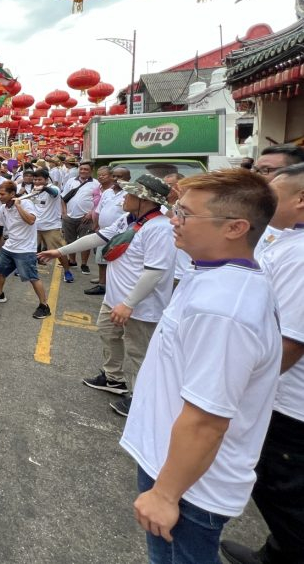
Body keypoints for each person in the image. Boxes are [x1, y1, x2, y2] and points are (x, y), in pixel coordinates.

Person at [120, 169, 280, 564]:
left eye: (186, 214)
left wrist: (165, 493)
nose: (174, 219)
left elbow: (208, 419)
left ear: (235, 228)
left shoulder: (225, 310)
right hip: (174, 467)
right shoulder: (210, 273)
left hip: (190, 486)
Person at [221, 163, 304, 564]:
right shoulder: (287, 241)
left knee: (283, 492)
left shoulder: (302, 255)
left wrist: (242, 390)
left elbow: (289, 341)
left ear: (300, 201)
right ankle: (276, 551)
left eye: (274, 193)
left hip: (288, 402)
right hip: (276, 395)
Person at [41, 174, 176, 417]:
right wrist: (60, 251)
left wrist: (128, 304)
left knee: (138, 352)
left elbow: (155, 273)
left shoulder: (160, 229)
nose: (124, 197)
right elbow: (98, 237)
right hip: (116, 300)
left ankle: (140, 397)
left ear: (143, 199)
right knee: (108, 334)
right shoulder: (129, 219)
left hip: (139, 306)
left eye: (130, 194)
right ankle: (114, 378)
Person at [0, 180, 51, 319]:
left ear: (12, 194)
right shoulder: (4, 208)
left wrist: (18, 206)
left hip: (25, 249)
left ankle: (44, 306)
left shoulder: (26, 203)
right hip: (10, 246)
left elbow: (31, 220)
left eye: (2, 194)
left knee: (32, 277)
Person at [86, 166, 131, 295]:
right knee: (101, 259)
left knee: (117, 261)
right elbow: (99, 210)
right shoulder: (107, 192)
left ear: (128, 178)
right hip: (104, 231)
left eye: (120, 176)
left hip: (121, 234)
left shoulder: (129, 194)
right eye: (114, 176)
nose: (116, 179)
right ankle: (102, 283)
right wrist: (96, 226)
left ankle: (113, 285)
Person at [29, 169, 75, 283]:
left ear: (46, 179)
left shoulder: (54, 188)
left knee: (59, 251)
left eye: (40, 179)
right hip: (35, 226)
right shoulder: (33, 189)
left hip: (51, 227)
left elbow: (53, 193)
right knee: (29, 249)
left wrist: (44, 188)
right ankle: (27, 269)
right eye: (35, 179)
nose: (37, 182)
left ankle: (67, 271)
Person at [61, 160, 96, 274]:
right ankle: (72, 261)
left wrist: (91, 213)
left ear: (91, 171)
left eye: (86, 169)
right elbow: (63, 198)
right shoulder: (71, 181)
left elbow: (99, 202)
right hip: (69, 217)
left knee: (85, 242)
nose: (83, 171)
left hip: (86, 218)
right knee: (70, 241)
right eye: (81, 169)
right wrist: (64, 213)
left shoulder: (96, 184)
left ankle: (84, 264)